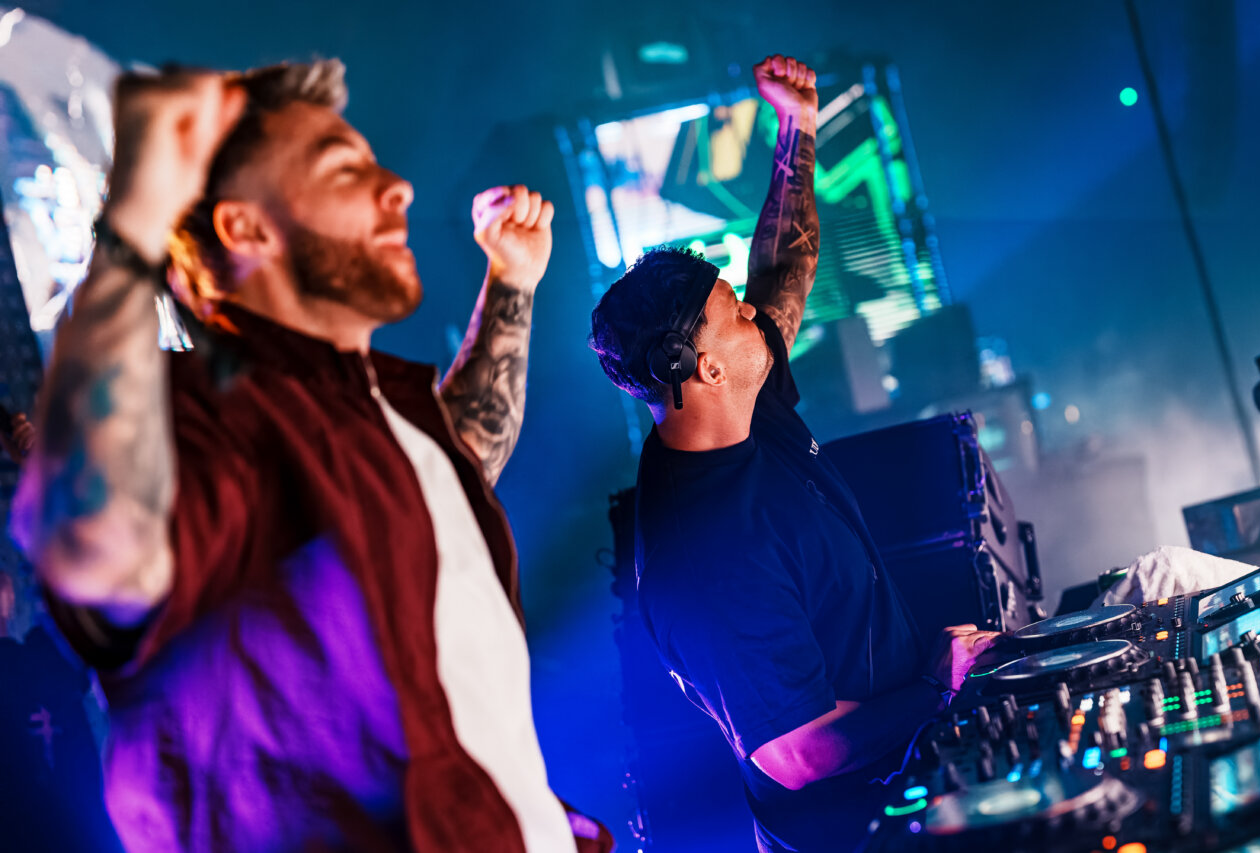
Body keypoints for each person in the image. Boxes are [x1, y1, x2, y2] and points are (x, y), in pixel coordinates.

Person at [10, 60, 609, 852]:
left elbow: (459, 465)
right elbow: (102, 565)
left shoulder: (371, 402)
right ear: (247, 230)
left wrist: (513, 281)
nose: (397, 188)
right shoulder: (195, 415)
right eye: (343, 171)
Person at [589, 55, 1000, 852]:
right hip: (853, 830)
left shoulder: (741, 403)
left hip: (908, 775)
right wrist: (937, 685)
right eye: (734, 312)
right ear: (704, 368)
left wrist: (797, 124)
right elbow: (796, 751)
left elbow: (783, 268)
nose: (755, 314)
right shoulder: (705, 553)